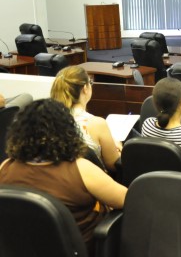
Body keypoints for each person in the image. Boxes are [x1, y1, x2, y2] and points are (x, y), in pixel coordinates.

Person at [0, 99, 127, 256]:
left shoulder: (5, 168)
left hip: (23, 249)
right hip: (80, 249)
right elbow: (127, 199)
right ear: (67, 132)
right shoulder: (81, 169)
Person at [50, 66, 121, 172]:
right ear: (85, 88)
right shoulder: (97, 124)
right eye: (90, 82)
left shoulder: (46, 119)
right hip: (91, 182)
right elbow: (113, 165)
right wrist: (119, 147)